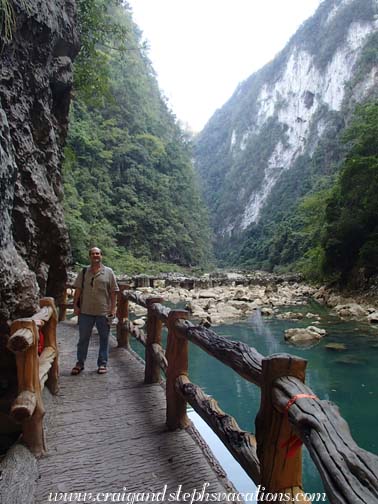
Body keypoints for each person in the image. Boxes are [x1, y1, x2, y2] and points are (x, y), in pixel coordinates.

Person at [71, 247, 119, 375]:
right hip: (85, 311)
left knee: (104, 338)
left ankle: (102, 363)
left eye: (97, 253)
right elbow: (78, 290)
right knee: (83, 339)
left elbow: (114, 292)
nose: (95, 256)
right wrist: (75, 306)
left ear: (101, 255)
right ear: (89, 256)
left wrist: (113, 308)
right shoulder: (84, 271)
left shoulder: (109, 272)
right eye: (93, 254)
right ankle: (80, 363)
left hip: (103, 312)